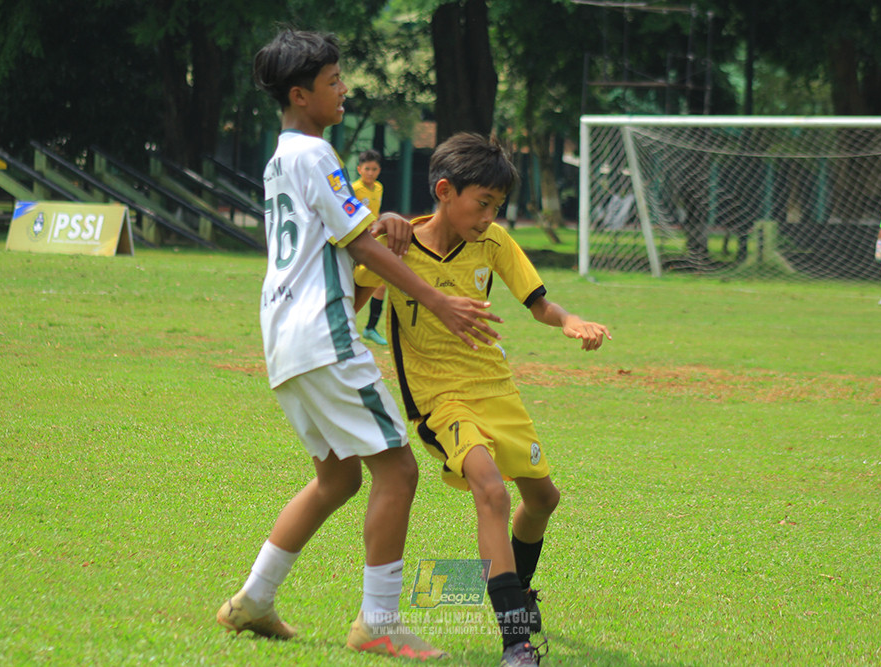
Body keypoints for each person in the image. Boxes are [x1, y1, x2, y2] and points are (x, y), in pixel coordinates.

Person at [216, 30, 503, 661]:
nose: (343, 89)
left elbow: (345, 233)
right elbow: (361, 245)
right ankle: (378, 623)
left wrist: (383, 222)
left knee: (338, 477)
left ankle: (253, 600)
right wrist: (438, 300)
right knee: (398, 469)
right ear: (301, 94)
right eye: (333, 81)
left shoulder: (281, 157)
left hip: (284, 338)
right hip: (325, 333)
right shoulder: (317, 153)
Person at [354, 133, 611, 667]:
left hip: (495, 388)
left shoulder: (492, 242)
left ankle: (519, 592)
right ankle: (517, 642)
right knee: (491, 491)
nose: (490, 216)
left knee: (543, 500)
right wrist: (378, 231)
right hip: (440, 400)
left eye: (498, 205)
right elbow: (352, 295)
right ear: (445, 191)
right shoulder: (398, 247)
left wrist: (570, 321)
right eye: (483, 203)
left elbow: (538, 303)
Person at [352, 149, 389, 345]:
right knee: (350, 284)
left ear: (379, 170)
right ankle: (345, 325)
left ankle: (370, 328)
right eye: (367, 169)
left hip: (372, 241)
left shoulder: (379, 188)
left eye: (374, 169)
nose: (370, 173)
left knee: (380, 284)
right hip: (356, 243)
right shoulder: (354, 189)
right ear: (359, 169)